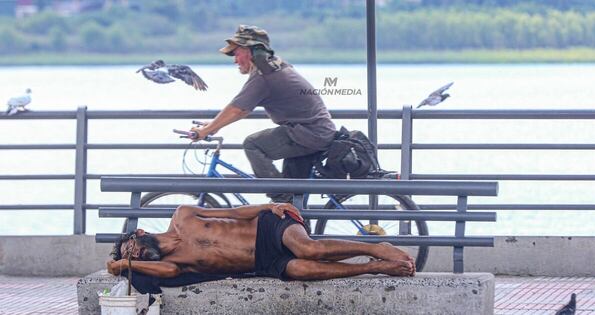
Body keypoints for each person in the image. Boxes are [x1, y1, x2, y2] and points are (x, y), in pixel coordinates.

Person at [189, 25, 336, 201]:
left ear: (252, 51)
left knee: (253, 144)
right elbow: (242, 109)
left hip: (308, 134)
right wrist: (213, 126)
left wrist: (206, 131)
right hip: (312, 132)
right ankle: (294, 213)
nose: (235, 60)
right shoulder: (274, 66)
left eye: (236, 53)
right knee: (295, 189)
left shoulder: (264, 76)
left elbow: (237, 108)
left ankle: (281, 200)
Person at [106, 203, 415, 280]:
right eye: (132, 256)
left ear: (140, 233)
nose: (136, 256)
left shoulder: (184, 215)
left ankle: (375, 247)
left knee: (309, 248)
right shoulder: (173, 264)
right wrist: (123, 264)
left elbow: (233, 213)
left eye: (131, 248)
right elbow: (168, 274)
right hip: (263, 262)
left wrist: (269, 206)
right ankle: (375, 268)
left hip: (267, 227)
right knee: (301, 270)